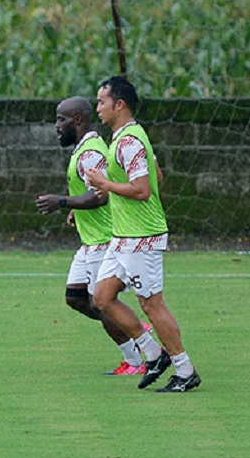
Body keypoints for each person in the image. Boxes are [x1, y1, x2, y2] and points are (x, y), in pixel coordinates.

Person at [84, 75, 201, 392]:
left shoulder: (130, 141)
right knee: (102, 297)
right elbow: (157, 176)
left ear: (119, 105)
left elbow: (144, 190)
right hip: (123, 236)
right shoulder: (124, 139)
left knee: (152, 304)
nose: (98, 109)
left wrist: (106, 184)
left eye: (102, 102)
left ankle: (185, 370)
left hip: (141, 237)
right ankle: (153, 354)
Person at [36, 96, 152, 376]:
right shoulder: (84, 149)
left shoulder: (90, 152)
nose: (56, 126)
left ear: (77, 120)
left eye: (60, 119)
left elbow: (100, 195)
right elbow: (91, 193)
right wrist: (77, 209)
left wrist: (62, 201)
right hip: (90, 242)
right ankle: (133, 334)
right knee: (75, 298)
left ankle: (137, 357)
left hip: (103, 241)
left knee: (103, 303)